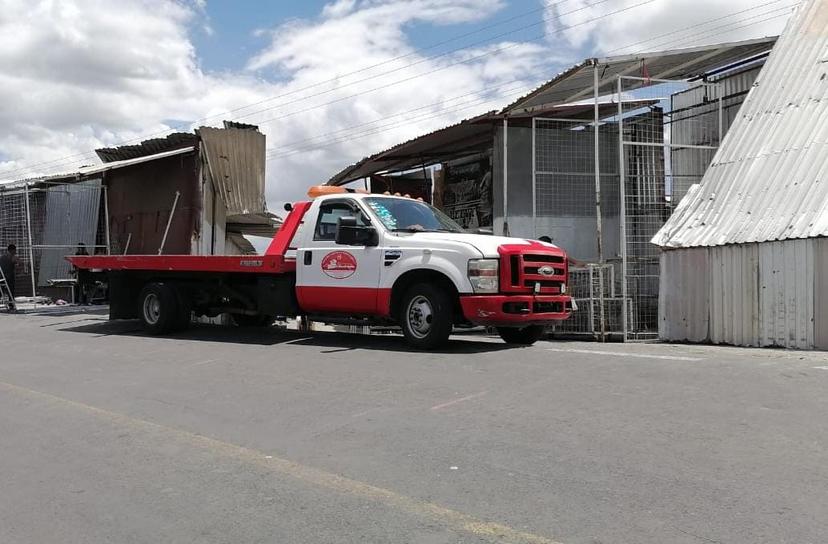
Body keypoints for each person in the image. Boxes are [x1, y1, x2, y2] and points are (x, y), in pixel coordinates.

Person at [0, 244, 19, 310]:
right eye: (15, 250)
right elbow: (17, 265)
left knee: (1, 290)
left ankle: (10, 303)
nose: (15, 252)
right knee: (11, 290)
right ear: (12, 250)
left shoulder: (2, 257)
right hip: (9, 277)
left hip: (1, 277)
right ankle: (11, 304)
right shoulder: (12, 257)